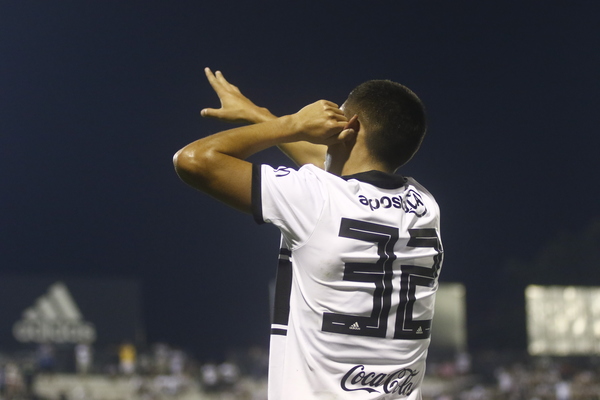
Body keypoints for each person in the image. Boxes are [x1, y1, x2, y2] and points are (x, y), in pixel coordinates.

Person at [173, 68, 444, 400]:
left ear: (352, 127)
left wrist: (292, 124)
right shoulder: (425, 206)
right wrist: (255, 114)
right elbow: (340, 168)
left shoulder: (315, 197)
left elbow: (193, 160)